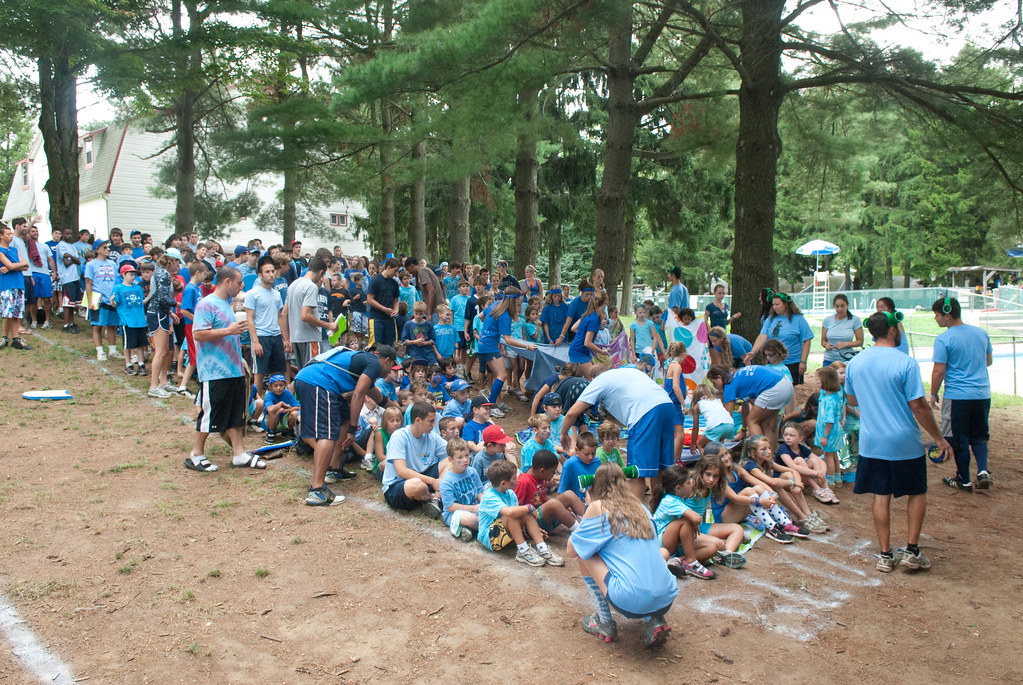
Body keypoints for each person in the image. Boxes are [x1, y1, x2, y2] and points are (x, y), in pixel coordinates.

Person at [845, 311, 952, 573]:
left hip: (873, 441)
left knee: (881, 495)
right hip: (903, 440)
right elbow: (918, 405)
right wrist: (938, 438)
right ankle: (912, 551)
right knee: (916, 492)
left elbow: (853, 400)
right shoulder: (905, 362)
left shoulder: (856, 362)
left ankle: (884, 554)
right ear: (892, 330)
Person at [568, 463, 676, 647]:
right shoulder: (641, 507)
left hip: (631, 601)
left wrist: (588, 509)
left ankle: (604, 622)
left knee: (585, 554)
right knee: (658, 553)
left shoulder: (598, 506)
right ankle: (654, 619)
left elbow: (572, 549)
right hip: (666, 598)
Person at [185, 267, 265, 473]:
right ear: (227, 282)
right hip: (215, 371)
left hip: (233, 369)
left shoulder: (227, 305)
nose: (242, 286)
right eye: (239, 283)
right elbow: (199, 334)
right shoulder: (207, 304)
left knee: (234, 414)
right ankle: (196, 454)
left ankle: (239, 454)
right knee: (210, 413)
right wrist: (229, 330)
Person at [295, 345, 397, 504]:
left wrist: (399, 410)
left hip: (312, 380)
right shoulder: (374, 364)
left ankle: (334, 469)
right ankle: (316, 490)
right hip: (318, 382)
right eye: (392, 367)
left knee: (345, 417)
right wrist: (352, 430)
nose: (391, 371)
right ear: (387, 361)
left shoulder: (365, 364)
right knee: (327, 434)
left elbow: (379, 398)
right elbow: (358, 395)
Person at [561, 366, 673, 500]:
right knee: (660, 469)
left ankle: (633, 519)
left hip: (644, 413)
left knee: (636, 473)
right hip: (667, 405)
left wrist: (563, 434)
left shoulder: (599, 382)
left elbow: (572, 412)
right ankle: (659, 512)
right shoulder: (626, 372)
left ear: (592, 379)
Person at [929, 297, 993, 492]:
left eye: (937, 315)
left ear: (947, 315)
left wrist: (933, 394)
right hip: (982, 394)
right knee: (980, 435)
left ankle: (963, 480)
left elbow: (939, 370)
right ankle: (983, 471)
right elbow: (987, 361)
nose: (935, 319)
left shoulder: (944, 339)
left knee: (960, 438)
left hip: (958, 396)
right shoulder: (981, 333)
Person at [477, 460, 564, 567]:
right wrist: (529, 507)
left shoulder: (510, 493)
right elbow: (509, 512)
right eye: (514, 478)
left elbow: (520, 516)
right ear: (503, 483)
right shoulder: (489, 496)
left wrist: (535, 530)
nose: (517, 480)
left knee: (524, 513)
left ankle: (542, 548)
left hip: (505, 534)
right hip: (490, 538)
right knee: (515, 513)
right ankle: (523, 551)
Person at [380, 400, 449, 515]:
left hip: (422, 476)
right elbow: (402, 471)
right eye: (431, 421)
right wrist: (433, 481)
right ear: (418, 421)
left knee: (451, 460)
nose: (434, 425)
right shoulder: (399, 436)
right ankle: (430, 497)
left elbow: (451, 451)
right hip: (398, 486)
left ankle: (436, 499)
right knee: (417, 485)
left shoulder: (431, 436)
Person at [706, 364, 792, 453]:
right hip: (786, 383)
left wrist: (717, 439)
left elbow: (727, 419)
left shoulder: (729, 385)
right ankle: (772, 455)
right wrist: (743, 430)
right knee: (767, 423)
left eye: (714, 383)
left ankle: (761, 455)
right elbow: (745, 408)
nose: (714, 386)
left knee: (752, 421)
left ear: (719, 378)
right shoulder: (737, 377)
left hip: (774, 387)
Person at [478, 286, 537, 413]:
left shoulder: (495, 305)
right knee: (502, 374)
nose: (519, 303)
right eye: (518, 302)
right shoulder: (504, 315)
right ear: (513, 301)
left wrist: (490, 329)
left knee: (496, 374)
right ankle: (491, 405)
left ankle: (498, 402)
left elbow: (480, 316)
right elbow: (508, 340)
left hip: (484, 343)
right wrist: (527, 346)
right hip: (490, 346)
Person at [245, 256, 291, 395]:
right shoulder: (252, 294)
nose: (271, 274)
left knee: (277, 373)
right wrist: (256, 342)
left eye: (272, 271)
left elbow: (279, 317)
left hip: (275, 336)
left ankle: (273, 402)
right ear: (260, 275)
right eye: (267, 272)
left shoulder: (276, 294)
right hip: (261, 336)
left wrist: (285, 339)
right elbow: (250, 319)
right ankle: (256, 403)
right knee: (259, 373)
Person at [747, 292, 813, 384]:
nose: (774, 307)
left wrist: (803, 361)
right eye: (773, 304)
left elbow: (807, 341)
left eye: (777, 304)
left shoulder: (799, 320)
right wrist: (753, 351)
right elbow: (763, 336)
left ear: (786, 304)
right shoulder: (770, 319)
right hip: (773, 362)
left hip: (792, 363)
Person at [286, 257, 337, 371]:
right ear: (321, 272)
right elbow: (305, 316)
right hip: (309, 337)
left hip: (296, 338)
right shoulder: (311, 286)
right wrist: (328, 325)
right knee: (314, 372)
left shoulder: (293, 285)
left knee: (303, 373)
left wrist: (287, 338)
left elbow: (284, 314)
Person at [439, 438, 485, 542]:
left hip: (475, 507)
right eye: (460, 457)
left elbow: (479, 491)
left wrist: (485, 503)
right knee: (471, 519)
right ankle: (484, 529)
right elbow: (450, 506)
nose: (465, 460)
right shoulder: (447, 482)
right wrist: (473, 509)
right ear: (450, 460)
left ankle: (470, 530)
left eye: (467, 455)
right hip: (456, 513)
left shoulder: (472, 471)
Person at [84, 240, 123, 361]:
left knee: (112, 325)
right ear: (98, 250)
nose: (108, 249)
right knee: (97, 326)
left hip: (110, 298)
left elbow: (117, 280)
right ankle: (99, 351)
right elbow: (88, 283)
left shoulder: (112, 264)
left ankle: (112, 350)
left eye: (108, 247)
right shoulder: (91, 265)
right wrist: (90, 300)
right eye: (105, 247)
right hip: (98, 298)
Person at [109, 265, 147, 375]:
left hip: (140, 320)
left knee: (141, 344)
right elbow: (115, 304)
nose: (133, 277)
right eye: (131, 274)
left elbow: (141, 302)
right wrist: (112, 301)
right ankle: (128, 364)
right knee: (128, 344)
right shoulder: (118, 288)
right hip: (127, 321)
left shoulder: (138, 288)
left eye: (134, 274)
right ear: (124, 275)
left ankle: (141, 363)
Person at [815, 366, 846, 489]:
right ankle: (838, 478)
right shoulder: (835, 395)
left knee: (828, 456)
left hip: (829, 432)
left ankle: (831, 480)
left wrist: (825, 436)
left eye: (818, 380)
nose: (817, 382)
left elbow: (829, 420)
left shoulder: (829, 401)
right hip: (835, 430)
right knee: (833, 454)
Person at [0, 223, 30, 350]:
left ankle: (11, 338)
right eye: (8, 234)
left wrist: (11, 266)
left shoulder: (14, 250)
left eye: (12, 234)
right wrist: (15, 265)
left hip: (18, 284)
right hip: (7, 285)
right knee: (8, 312)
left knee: (16, 312)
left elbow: (26, 264)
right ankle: (12, 338)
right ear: (1, 236)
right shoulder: (1, 251)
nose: (11, 236)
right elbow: (16, 265)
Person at [568, 291, 607, 375]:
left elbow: (574, 328)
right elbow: (587, 343)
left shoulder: (589, 314)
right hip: (579, 352)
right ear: (605, 303)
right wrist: (601, 351)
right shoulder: (595, 319)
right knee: (592, 380)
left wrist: (590, 335)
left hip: (584, 351)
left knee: (597, 375)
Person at [688, 383, 735, 451]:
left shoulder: (698, 405)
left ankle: (708, 461)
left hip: (716, 427)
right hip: (730, 425)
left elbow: (695, 428)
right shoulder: (717, 401)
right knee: (717, 445)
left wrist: (693, 444)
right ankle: (722, 457)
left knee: (700, 444)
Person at [821, 294, 863, 366]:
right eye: (837, 306)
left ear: (847, 305)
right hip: (830, 359)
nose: (840, 309)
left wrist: (845, 344)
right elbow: (823, 341)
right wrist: (826, 345)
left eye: (842, 306)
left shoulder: (854, 320)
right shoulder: (827, 321)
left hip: (846, 359)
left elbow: (860, 341)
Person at [366, 257, 401, 347]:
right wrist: (384, 309)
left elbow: (396, 300)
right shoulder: (375, 281)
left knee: (391, 344)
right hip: (376, 317)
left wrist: (396, 310)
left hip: (390, 318)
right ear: (388, 268)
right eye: (395, 270)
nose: (395, 274)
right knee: (376, 344)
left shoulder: (394, 283)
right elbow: (370, 299)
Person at [663, 341, 689, 459]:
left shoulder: (668, 364)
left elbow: (664, 385)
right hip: (675, 404)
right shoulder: (677, 367)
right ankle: (675, 459)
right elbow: (675, 387)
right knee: (680, 434)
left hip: (668, 403)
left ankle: (672, 458)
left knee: (671, 433)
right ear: (683, 353)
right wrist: (684, 405)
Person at [55, 227, 83, 333]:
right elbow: (66, 262)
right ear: (63, 234)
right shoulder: (60, 245)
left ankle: (71, 322)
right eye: (67, 233)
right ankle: (66, 324)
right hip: (67, 277)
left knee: (73, 303)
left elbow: (78, 261)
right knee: (67, 302)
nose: (69, 235)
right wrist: (73, 258)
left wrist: (70, 256)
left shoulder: (72, 246)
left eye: (70, 234)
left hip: (75, 276)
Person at [262, 373, 300, 442]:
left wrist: (287, 410)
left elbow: (298, 407)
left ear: (285, 385)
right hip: (270, 421)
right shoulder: (269, 395)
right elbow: (270, 410)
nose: (278, 388)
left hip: (283, 419)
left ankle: (287, 431)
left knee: (295, 413)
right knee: (275, 410)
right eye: (275, 386)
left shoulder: (287, 393)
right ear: (270, 387)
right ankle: (271, 432)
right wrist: (281, 403)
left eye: (281, 385)